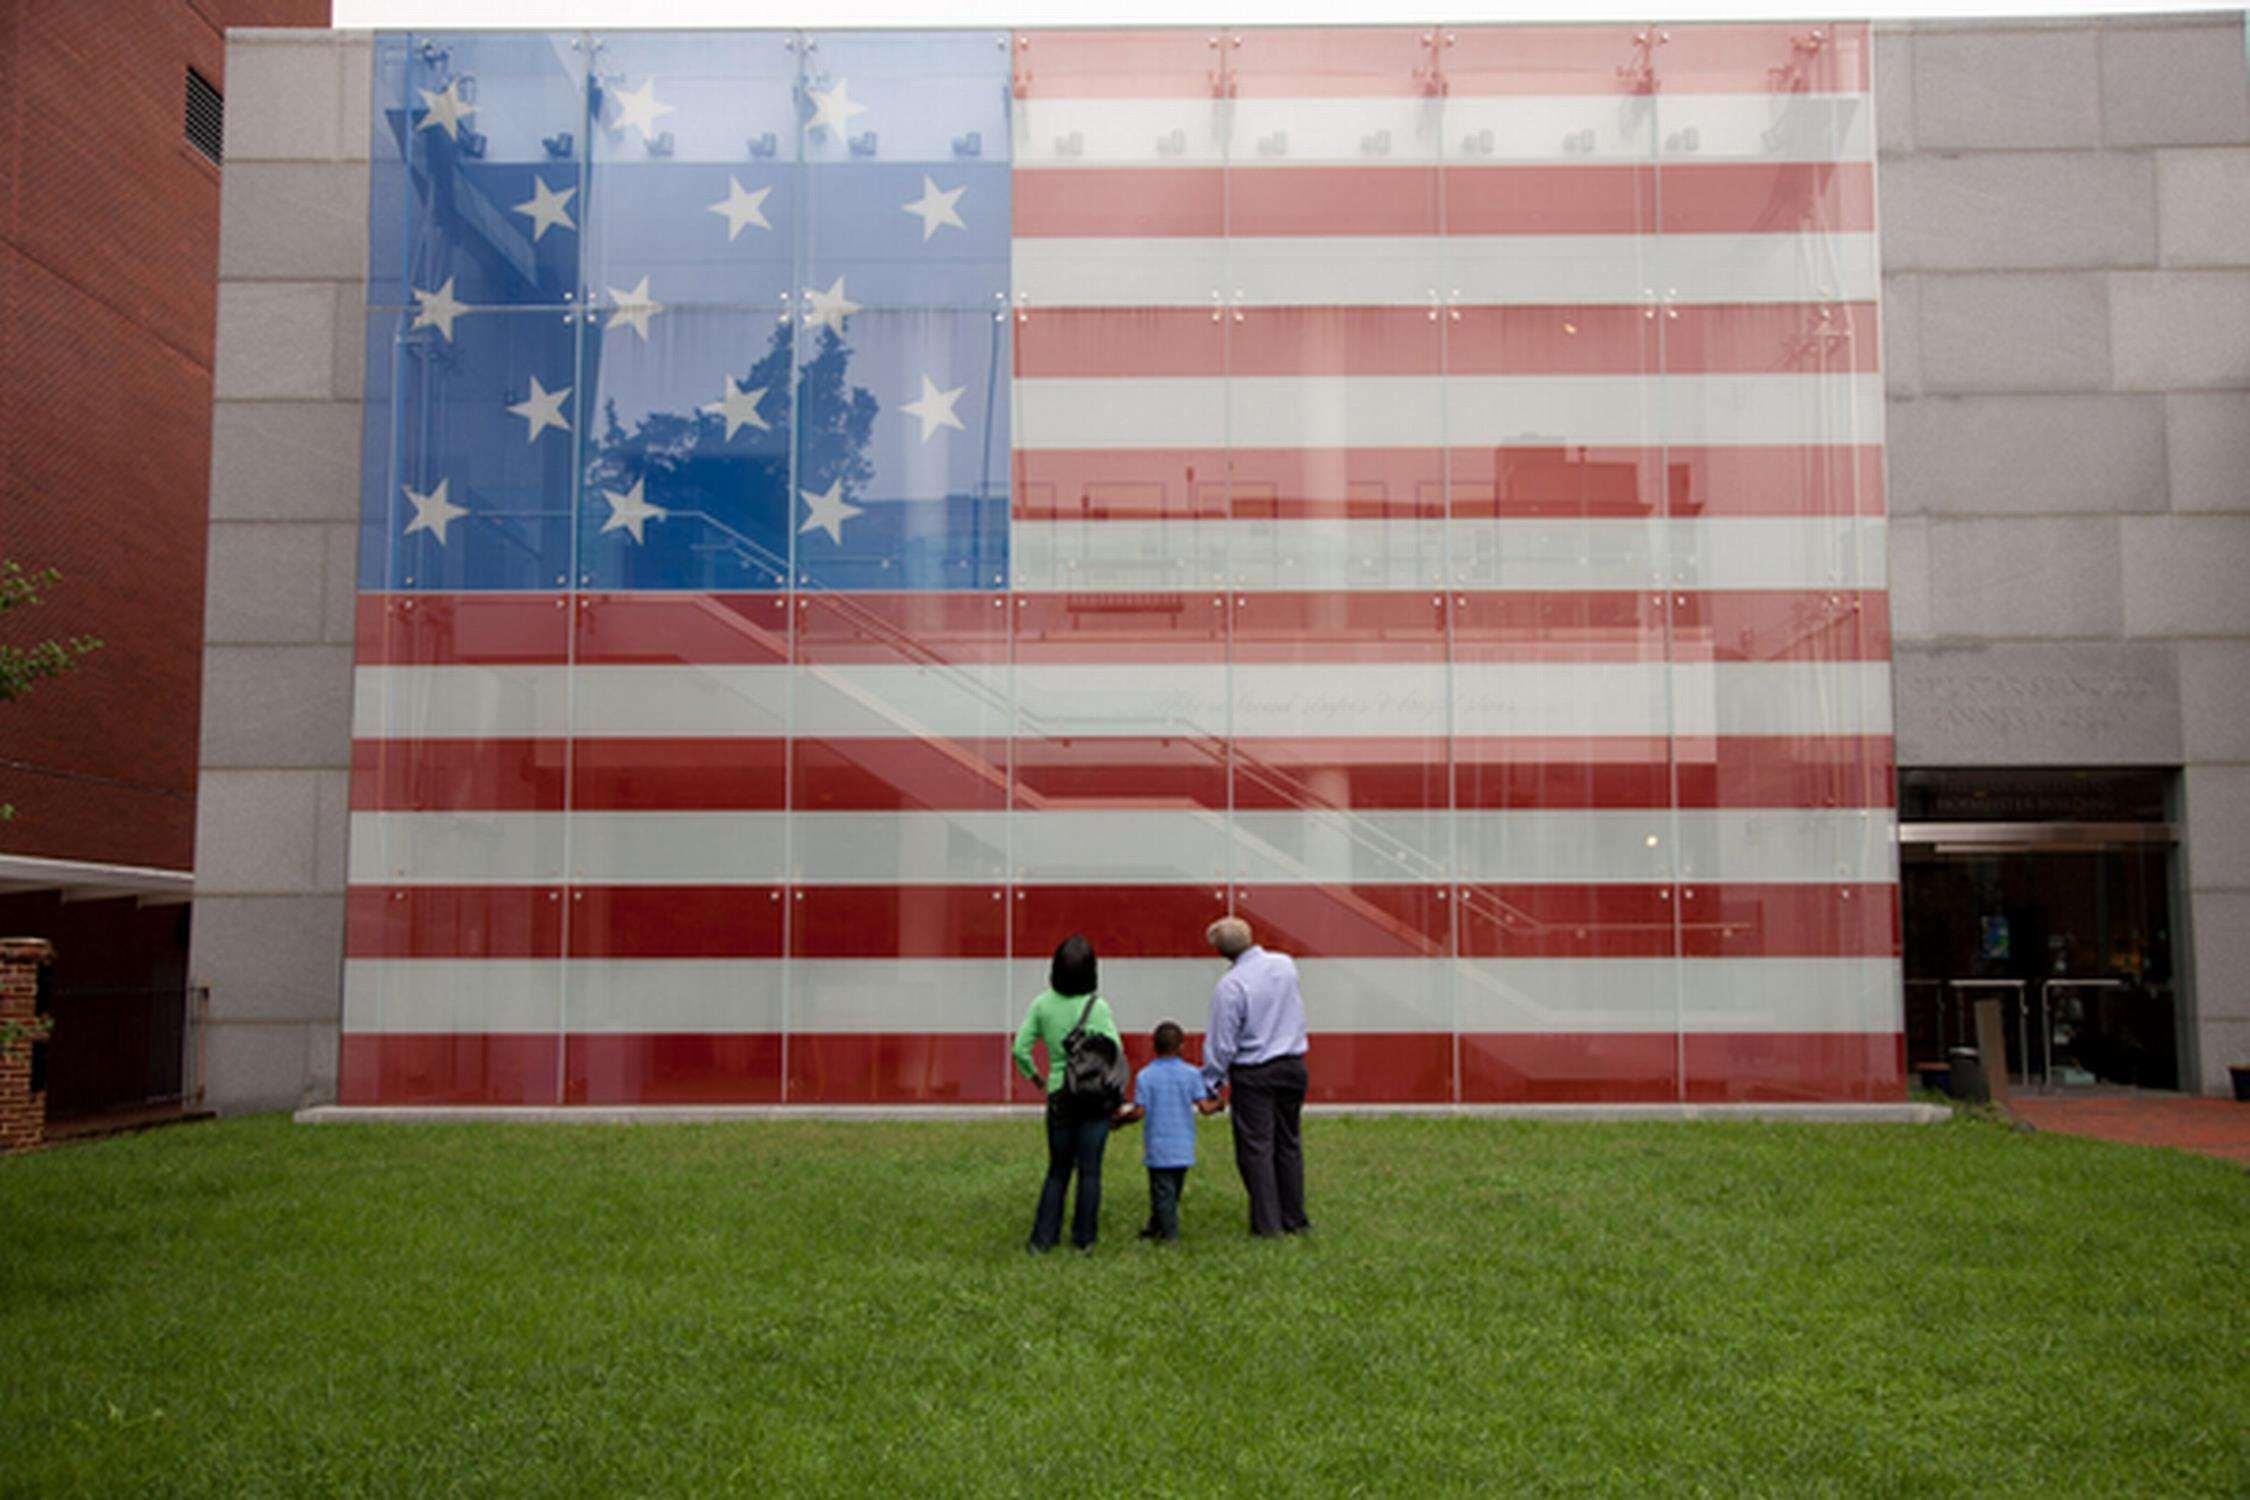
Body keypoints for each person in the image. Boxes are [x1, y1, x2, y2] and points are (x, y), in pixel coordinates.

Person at [1200, 916, 1311, 1237]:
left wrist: (1211, 1082)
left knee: (1256, 1149)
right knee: (1288, 1143)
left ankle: (1267, 1225)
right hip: (1292, 1064)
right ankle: (1294, 1218)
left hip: (1254, 1072)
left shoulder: (1231, 986)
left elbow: (1223, 1043)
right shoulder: (1285, 965)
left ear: (1220, 952)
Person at [1012, 933, 1123, 1253]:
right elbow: (1114, 1051)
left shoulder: (1042, 1004)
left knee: (1058, 1170)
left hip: (1060, 1093)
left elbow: (1020, 1049)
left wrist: (1037, 1079)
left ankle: (1042, 1240)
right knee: (1090, 1171)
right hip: (1092, 1097)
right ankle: (1084, 1240)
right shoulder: (1098, 1007)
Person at [1111, 1020, 1223, 1242]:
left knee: (1161, 1192)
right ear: (1181, 1046)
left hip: (1158, 1145)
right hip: (1183, 1145)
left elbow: (1140, 1111)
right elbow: (1204, 1107)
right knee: (1172, 1191)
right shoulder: (1191, 1074)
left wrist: (1120, 1120)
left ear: (1153, 1046)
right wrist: (1219, 1104)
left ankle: (1170, 1236)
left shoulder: (1146, 1076)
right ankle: (1156, 1227)